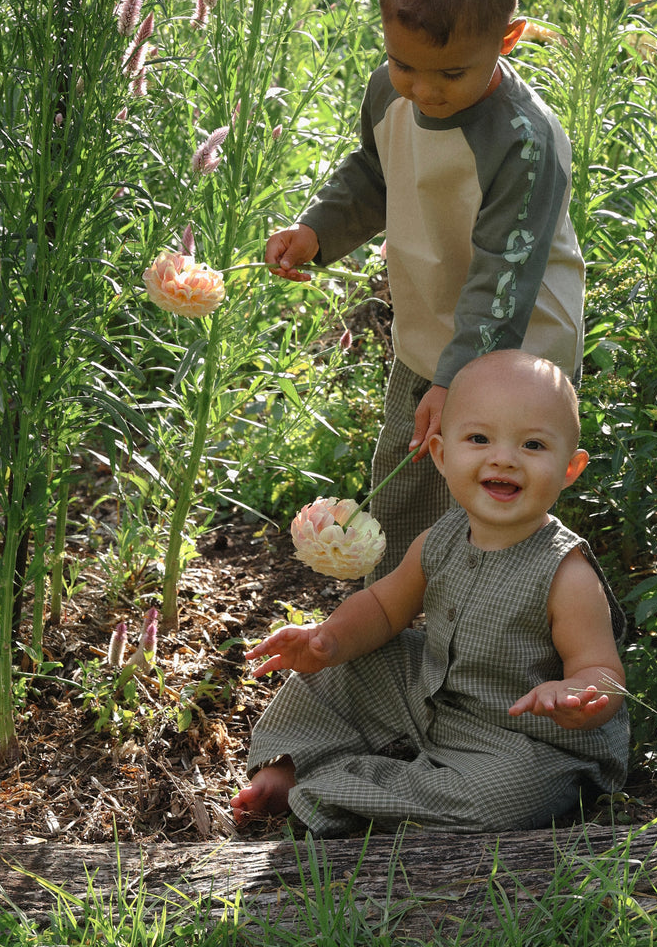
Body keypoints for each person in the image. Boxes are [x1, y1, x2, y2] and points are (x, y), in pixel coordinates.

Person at [265, 0, 585, 576]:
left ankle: (489, 626)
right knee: (405, 476)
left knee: (494, 496)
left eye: (451, 73)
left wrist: (459, 379)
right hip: (432, 324)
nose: (425, 90)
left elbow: (506, 276)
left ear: (510, 39)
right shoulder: (391, 93)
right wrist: (317, 230)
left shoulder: (525, 142)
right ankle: (386, 615)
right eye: (405, 64)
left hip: (516, 348)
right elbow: (374, 174)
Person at [231, 350, 627, 835]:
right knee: (338, 670)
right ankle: (292, 764)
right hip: (432, 696)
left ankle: (352, 785)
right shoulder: (441, 536)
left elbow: (601, 669)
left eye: (533, 445)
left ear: (570, 468)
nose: (503, 457)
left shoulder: (565, 572)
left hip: (526, 741)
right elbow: (381, 607)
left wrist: (577, 696)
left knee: (500, 796)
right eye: (479, 438)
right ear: (441, 454)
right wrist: (328, 640)